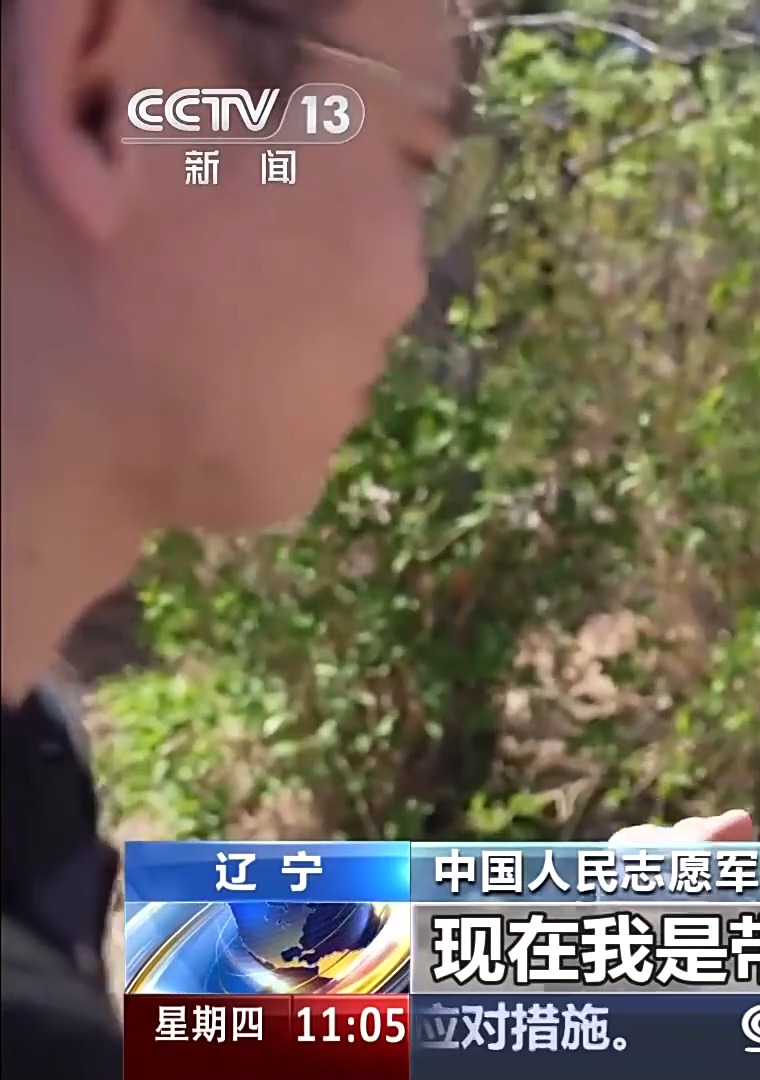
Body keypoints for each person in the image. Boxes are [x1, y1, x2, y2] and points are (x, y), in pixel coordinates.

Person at [2, 0, 477, 1073]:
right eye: (413, 159)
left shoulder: (33, 764)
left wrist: (614, 962)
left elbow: (198, 989)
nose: (413, 278)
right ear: (101, 95)